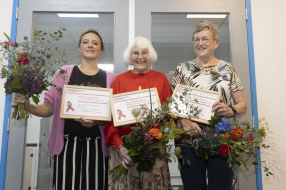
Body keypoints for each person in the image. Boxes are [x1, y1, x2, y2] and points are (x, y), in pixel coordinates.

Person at [11, 29, 116, 190]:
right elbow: (49, 108)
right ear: (79, 48)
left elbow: (114, 115)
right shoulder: (63, 73)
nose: (90, 45)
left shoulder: (111, 78)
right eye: (85, 42)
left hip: (97, 146)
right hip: (67, 144)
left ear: (101, 50)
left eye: (95, 43)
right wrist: (28, 106)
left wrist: (97, 121)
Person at [171, 21, 247, 190]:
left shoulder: (228, 69)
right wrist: (183, 121)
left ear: (216, 43)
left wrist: (231, 109)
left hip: (221, 138)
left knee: (221, 186)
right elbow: (172, 105)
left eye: (205, 39)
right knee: (192, 186)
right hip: (189, 139)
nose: (200, 43)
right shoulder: (182, 69)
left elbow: (242, 104)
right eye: (196, 39)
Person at [105, 37, 172, 189]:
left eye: (144, 53)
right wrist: (120, 146)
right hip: (124, 148)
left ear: (151, 56)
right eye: (136, 53)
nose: (140, 57)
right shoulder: (119, 80)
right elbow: (111, 119)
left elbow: (170, 116)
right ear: (130, 56)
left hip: (153, 148)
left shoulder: (161, 79)